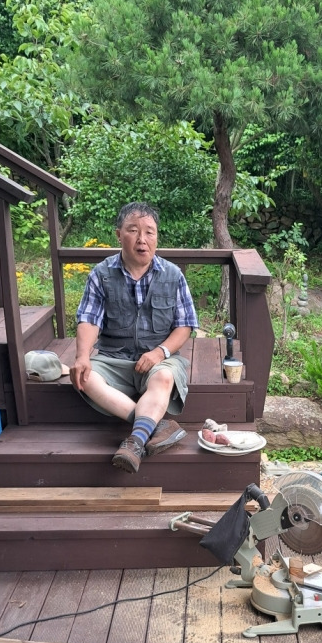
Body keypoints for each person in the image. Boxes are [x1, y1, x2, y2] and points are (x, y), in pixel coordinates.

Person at [70, 202, 198, 474]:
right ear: (119, 235)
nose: (142, 239)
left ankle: (135, 442)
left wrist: (160, 352)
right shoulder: (101, 275)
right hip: (113, 357)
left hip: (158, 359)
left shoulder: (173, 275)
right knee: (86, 376)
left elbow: (185, 326)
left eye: (149, 232)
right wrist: (82, 356)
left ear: (156, 237)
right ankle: (153, 427)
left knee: (165, 378)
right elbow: (89, 319)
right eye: (133, 231)